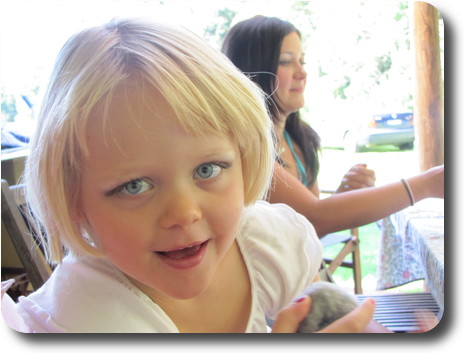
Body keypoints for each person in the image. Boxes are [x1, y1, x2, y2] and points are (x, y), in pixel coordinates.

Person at [6, 18, 381, 333]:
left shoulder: (265, 243)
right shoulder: (77, 320)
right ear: (74, 199)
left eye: (207, 169)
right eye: (134, 186)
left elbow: (322, 310)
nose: (184, 213)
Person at [221, 15, 444, 236]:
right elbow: (315, 219)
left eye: (302, 61)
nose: (302, 72)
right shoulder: (246, 150)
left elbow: (306, 230)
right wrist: (426, 184)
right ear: (253, 72)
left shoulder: (299, 139)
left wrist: (342, 195)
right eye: (286, 61)